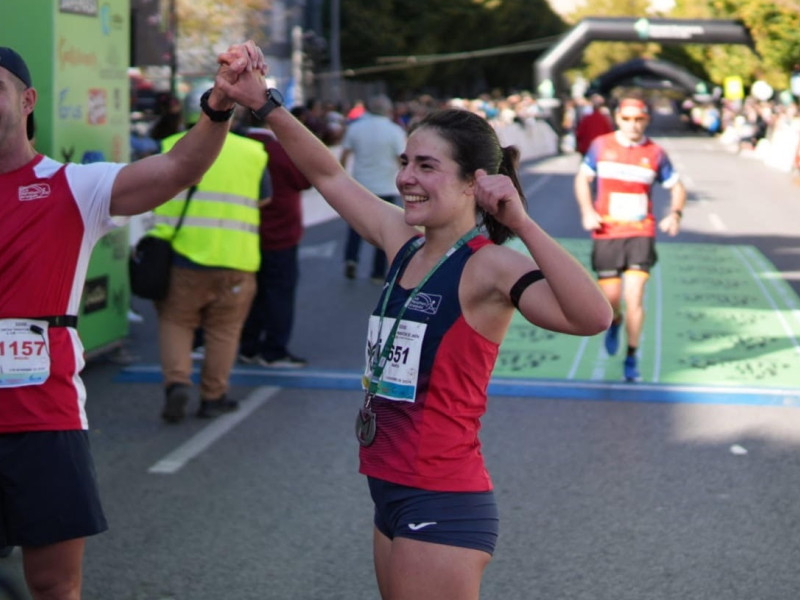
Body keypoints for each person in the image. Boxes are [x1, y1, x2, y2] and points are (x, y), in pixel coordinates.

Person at [244, 71, 612, 599]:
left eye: (426, 166)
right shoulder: (404, 245)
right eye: (405, 163)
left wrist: (524, 224)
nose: (406, 178)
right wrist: (267, 106)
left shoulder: (490, 268)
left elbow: (593, 316)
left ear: (473, 181)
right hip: (390, 492)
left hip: (441, 498)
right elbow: (328, 176)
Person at [0, 42, 267, 599]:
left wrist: (218, 106)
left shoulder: (73, 187)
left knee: (52, 585)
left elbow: (178, 167)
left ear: (26, 100)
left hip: (42, 420)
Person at [152, 90, 271, 422]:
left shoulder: (170, 145)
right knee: (224, 331)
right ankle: (213, 396)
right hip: (238, 259)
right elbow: (264, 200)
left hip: (183, 253)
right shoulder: (254, 152)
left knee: (177, 322)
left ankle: (177, 383)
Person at [574, 96, 687, 382]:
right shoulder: (601, 145)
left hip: (640, 232)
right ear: (618, 119)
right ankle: (615, 321)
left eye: (639, 119)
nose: (633, 124)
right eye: (627, 119)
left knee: (634, 295)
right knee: (611, 301)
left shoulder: (656, 153)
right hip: (607, 232)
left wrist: (675, 213)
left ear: (646, 120)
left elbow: (677, 187)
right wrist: (588, 211)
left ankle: (631, 356)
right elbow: (581, 179)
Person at [237, 110, 311, 368]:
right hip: (280, 232)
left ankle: (248, 345)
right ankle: (274, 350)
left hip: (242, 232)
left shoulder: (236, 147)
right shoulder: (280, 150)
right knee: (279, 292)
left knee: (251, 293)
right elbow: (305, 178)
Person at [339, 94, 406, 282]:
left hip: (361, 185)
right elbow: (401, 159)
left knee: (356, 226)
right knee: (384, 230)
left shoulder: (355, 128)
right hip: (386, 186)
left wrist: (342, 179)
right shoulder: (395, 131)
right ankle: (377, 272)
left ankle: (351, 259)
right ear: (388, 110)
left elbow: (344, 155)